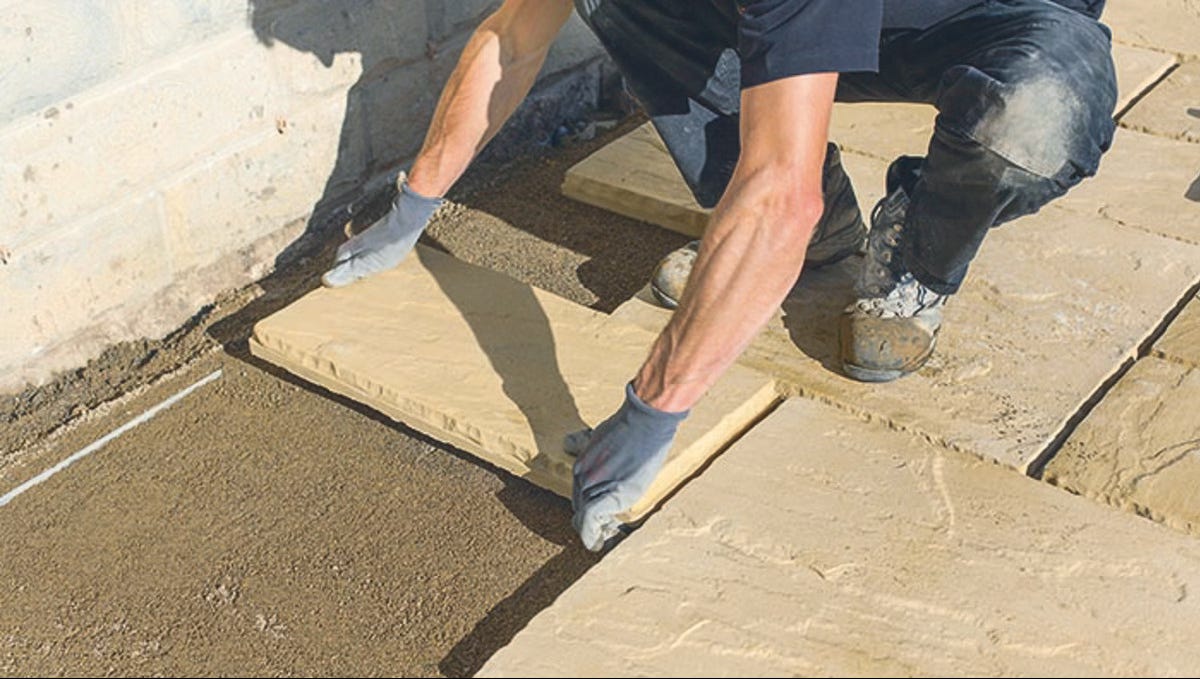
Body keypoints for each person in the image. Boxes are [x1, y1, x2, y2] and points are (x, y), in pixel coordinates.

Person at [320, 0, 1116, 550]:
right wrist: (415, 199)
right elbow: (514, 36)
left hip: (998, 27)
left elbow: (779, 195)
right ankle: (821, 247)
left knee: (1033, 118)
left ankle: (918, 258)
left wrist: (650, 413)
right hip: (828, 18)